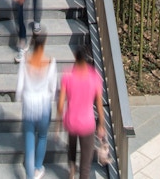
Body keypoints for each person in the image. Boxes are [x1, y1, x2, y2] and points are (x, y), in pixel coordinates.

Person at [58, 46, 105, 179]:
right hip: (87, 123)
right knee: (85, 164)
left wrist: (60, 118)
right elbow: (99, 105)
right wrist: (101, 124)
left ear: (75, 57)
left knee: (72, 146)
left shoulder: (68, 75)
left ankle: (72, 170)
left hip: (71, 120)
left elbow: (61, 103)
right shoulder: (95, 76)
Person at [16, 30, 58, 179]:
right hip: (44, 105)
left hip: (29, 105)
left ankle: (29, 176)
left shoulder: (25, 61)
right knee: (42, 137)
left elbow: (19, 87)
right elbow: (53, 88)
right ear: (44, 43)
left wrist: (21, 99)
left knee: (29, 140)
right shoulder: (50, 62)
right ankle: (38, 168)